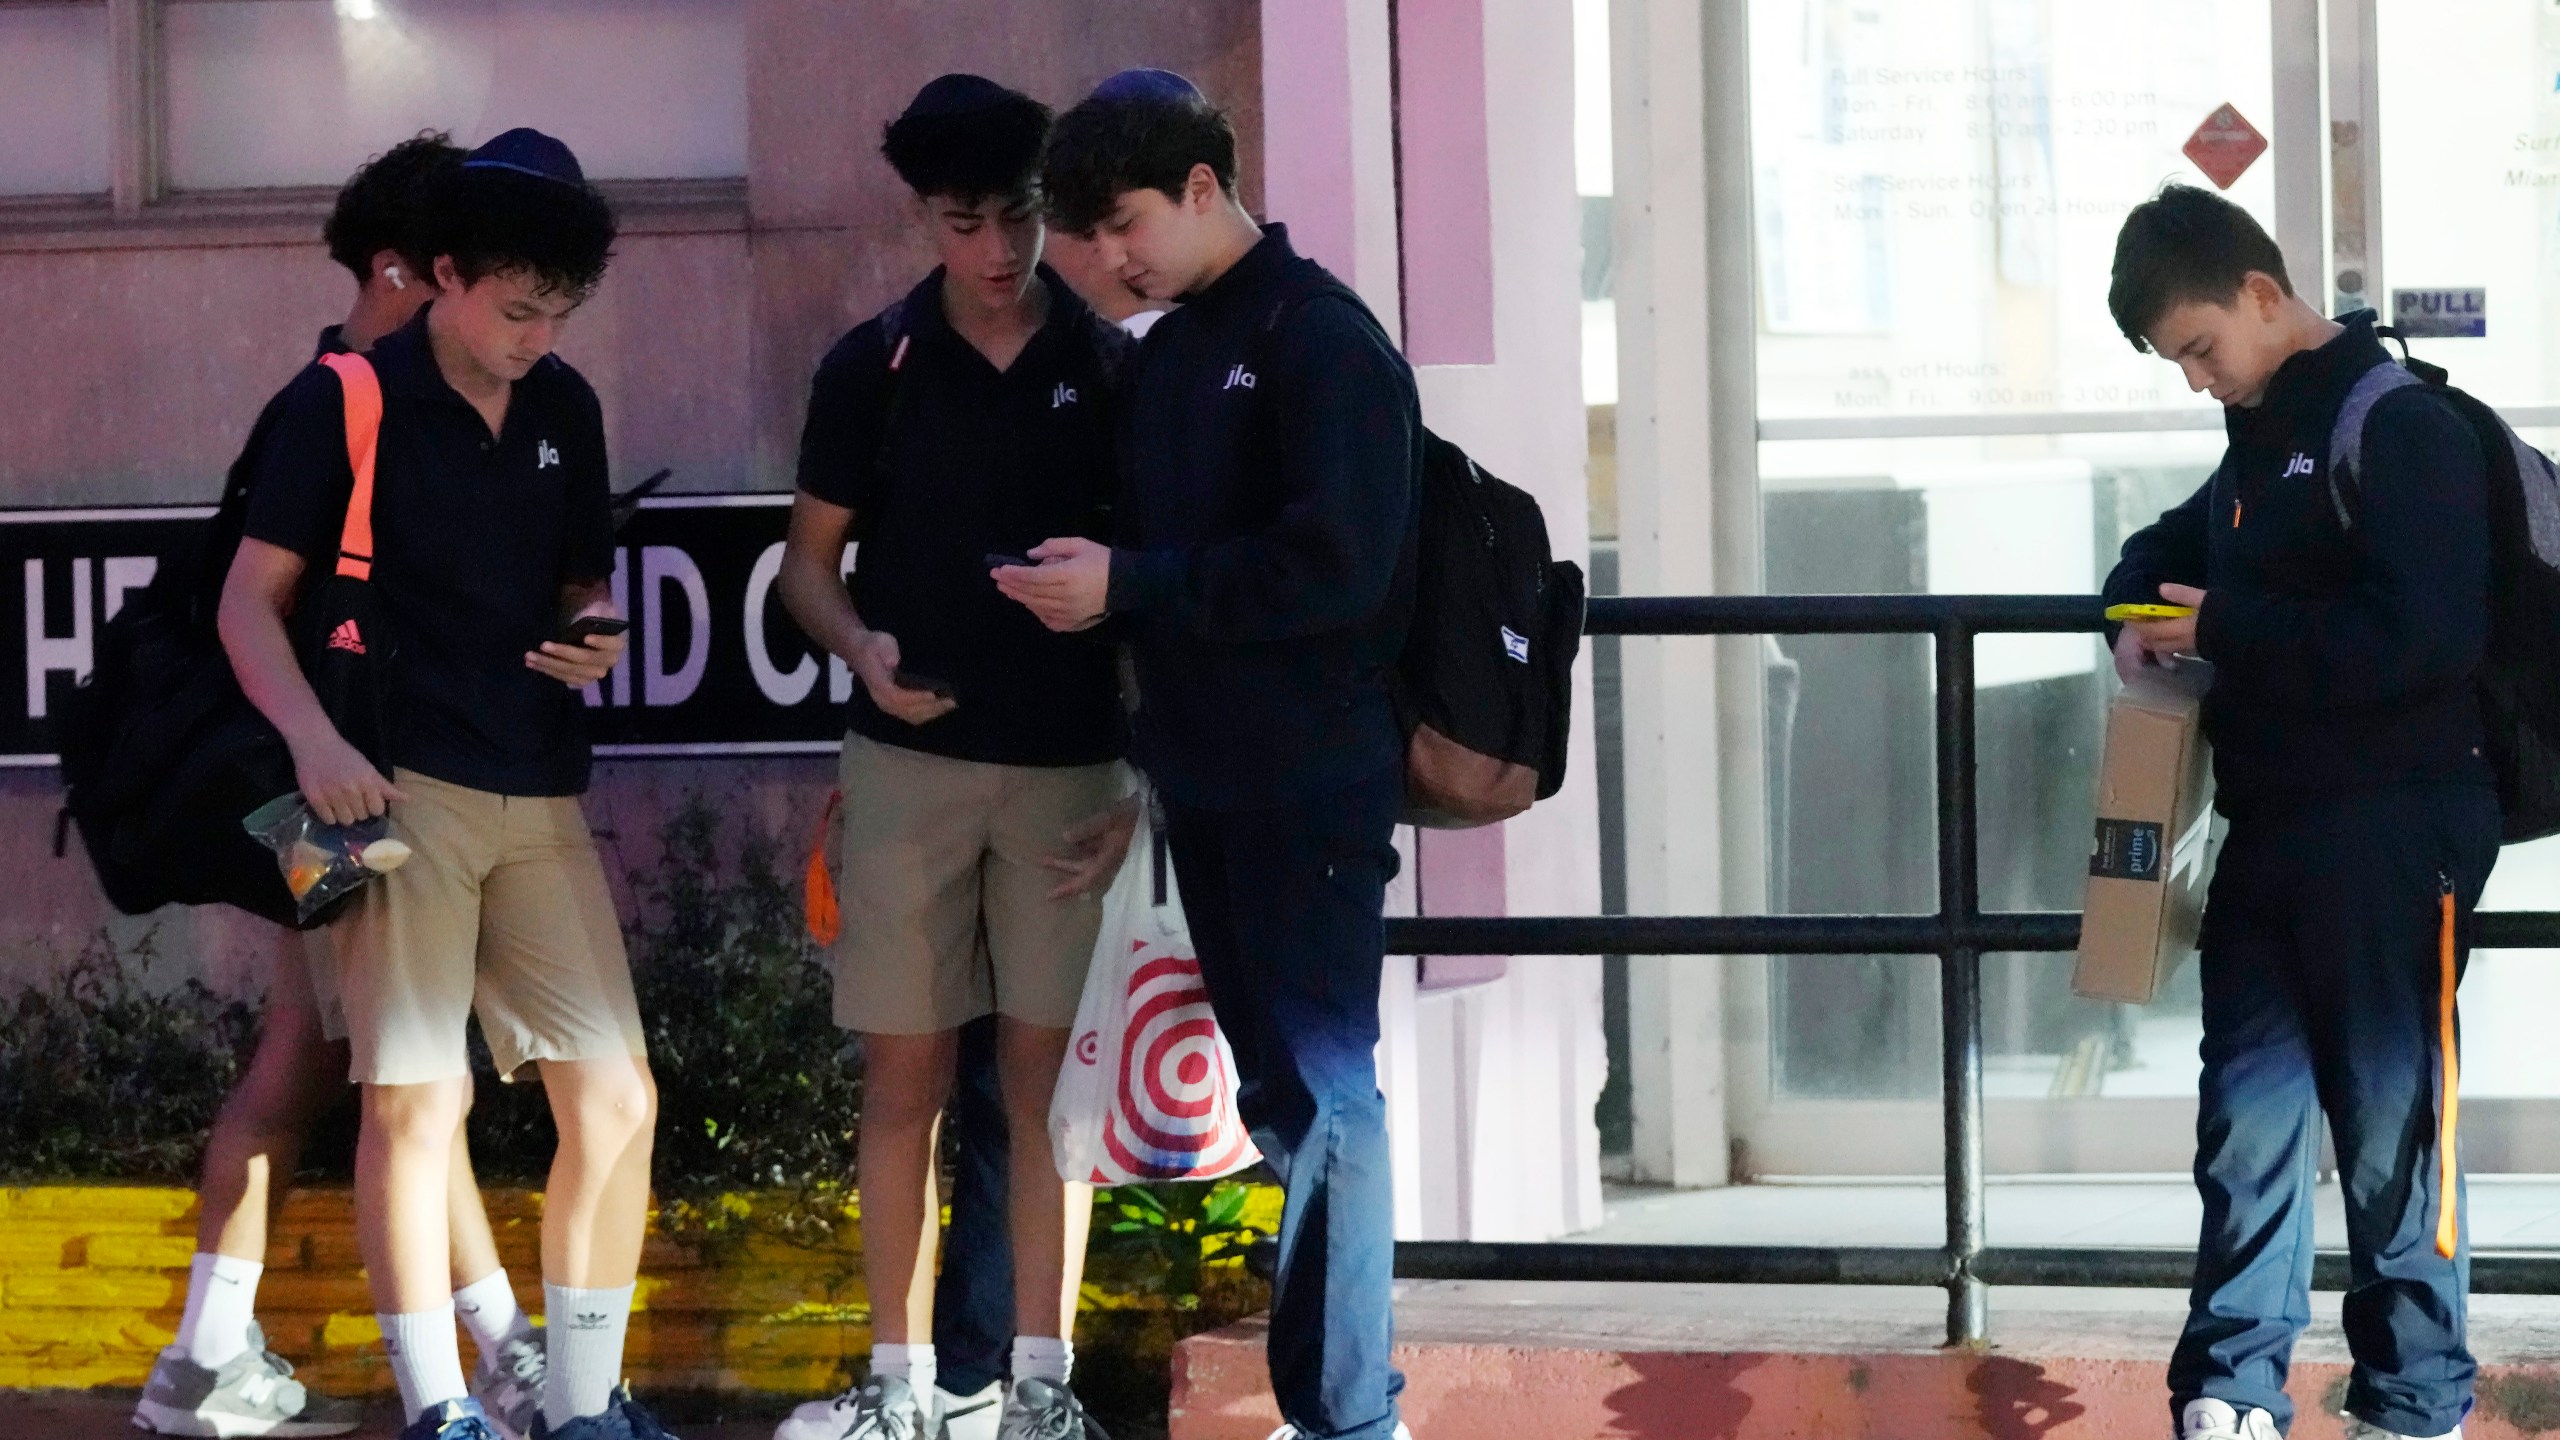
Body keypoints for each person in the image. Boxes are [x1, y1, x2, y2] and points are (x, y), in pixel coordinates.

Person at [218, 128, 668, 1440]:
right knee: (417, 1098)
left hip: (535, 777)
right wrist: (314, 744)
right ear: (447, 277)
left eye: (561, 314)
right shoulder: (344, 401)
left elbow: (580, 578)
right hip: (381, 788)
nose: (536, 337)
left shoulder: (565, 408)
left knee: (617, 1095)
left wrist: (594, 630)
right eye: (517, 309)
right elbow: (249, 606)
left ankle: (580, 1408)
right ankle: (443, 1409)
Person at [1009, 69, 1422, 1440]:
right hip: (1212, 774)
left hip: (1309, 770)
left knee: (1323, 1089)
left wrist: (1132, 586)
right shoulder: (1180, 347)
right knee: (1290, 1096)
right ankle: (1339, 1409)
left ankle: (1350, 1415)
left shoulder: (1319, 338)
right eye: (1090, 241)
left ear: (1204, 185)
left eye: (1125, 223)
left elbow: (1341, 569)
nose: (1110, 260)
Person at [136, 131, 544, 1440]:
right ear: (401, 268)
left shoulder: (367, 399)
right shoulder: (339, 405)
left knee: (341, 1061)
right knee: (392, 1074)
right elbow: (271, 614)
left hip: (348, 798)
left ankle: (210, 1360)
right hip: (341, 797)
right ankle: (497, 1357)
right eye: (458, 269)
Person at [2102, 184, 2498, 1440]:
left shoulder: (2402, 426)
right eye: (2177, 364)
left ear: (2263, 296)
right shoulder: (2255, 442)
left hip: (2395, 825)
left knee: (2394, 1131)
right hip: (2271, 828)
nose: (2195, 382)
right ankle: (2229, 1395)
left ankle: (2413, 1402)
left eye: (2199, 349)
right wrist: (2135, 611)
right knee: (2247, 1123)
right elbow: (2153, 555)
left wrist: (2224, 626)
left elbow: (2427, 638)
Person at [775, 75, 1136, 1440]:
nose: (997, 249)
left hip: (1070, 774)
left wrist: (1143, 778)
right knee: (905, 1084)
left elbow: (1161, 588)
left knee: (1048, 1093)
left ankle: (1041, 1389)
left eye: (1022, 217)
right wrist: (863, 649)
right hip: (905, 761)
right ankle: (899, 1388)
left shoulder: (1113, 367)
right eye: (964, 220)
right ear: (922, 217)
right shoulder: (870, 364)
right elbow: (807, 570)